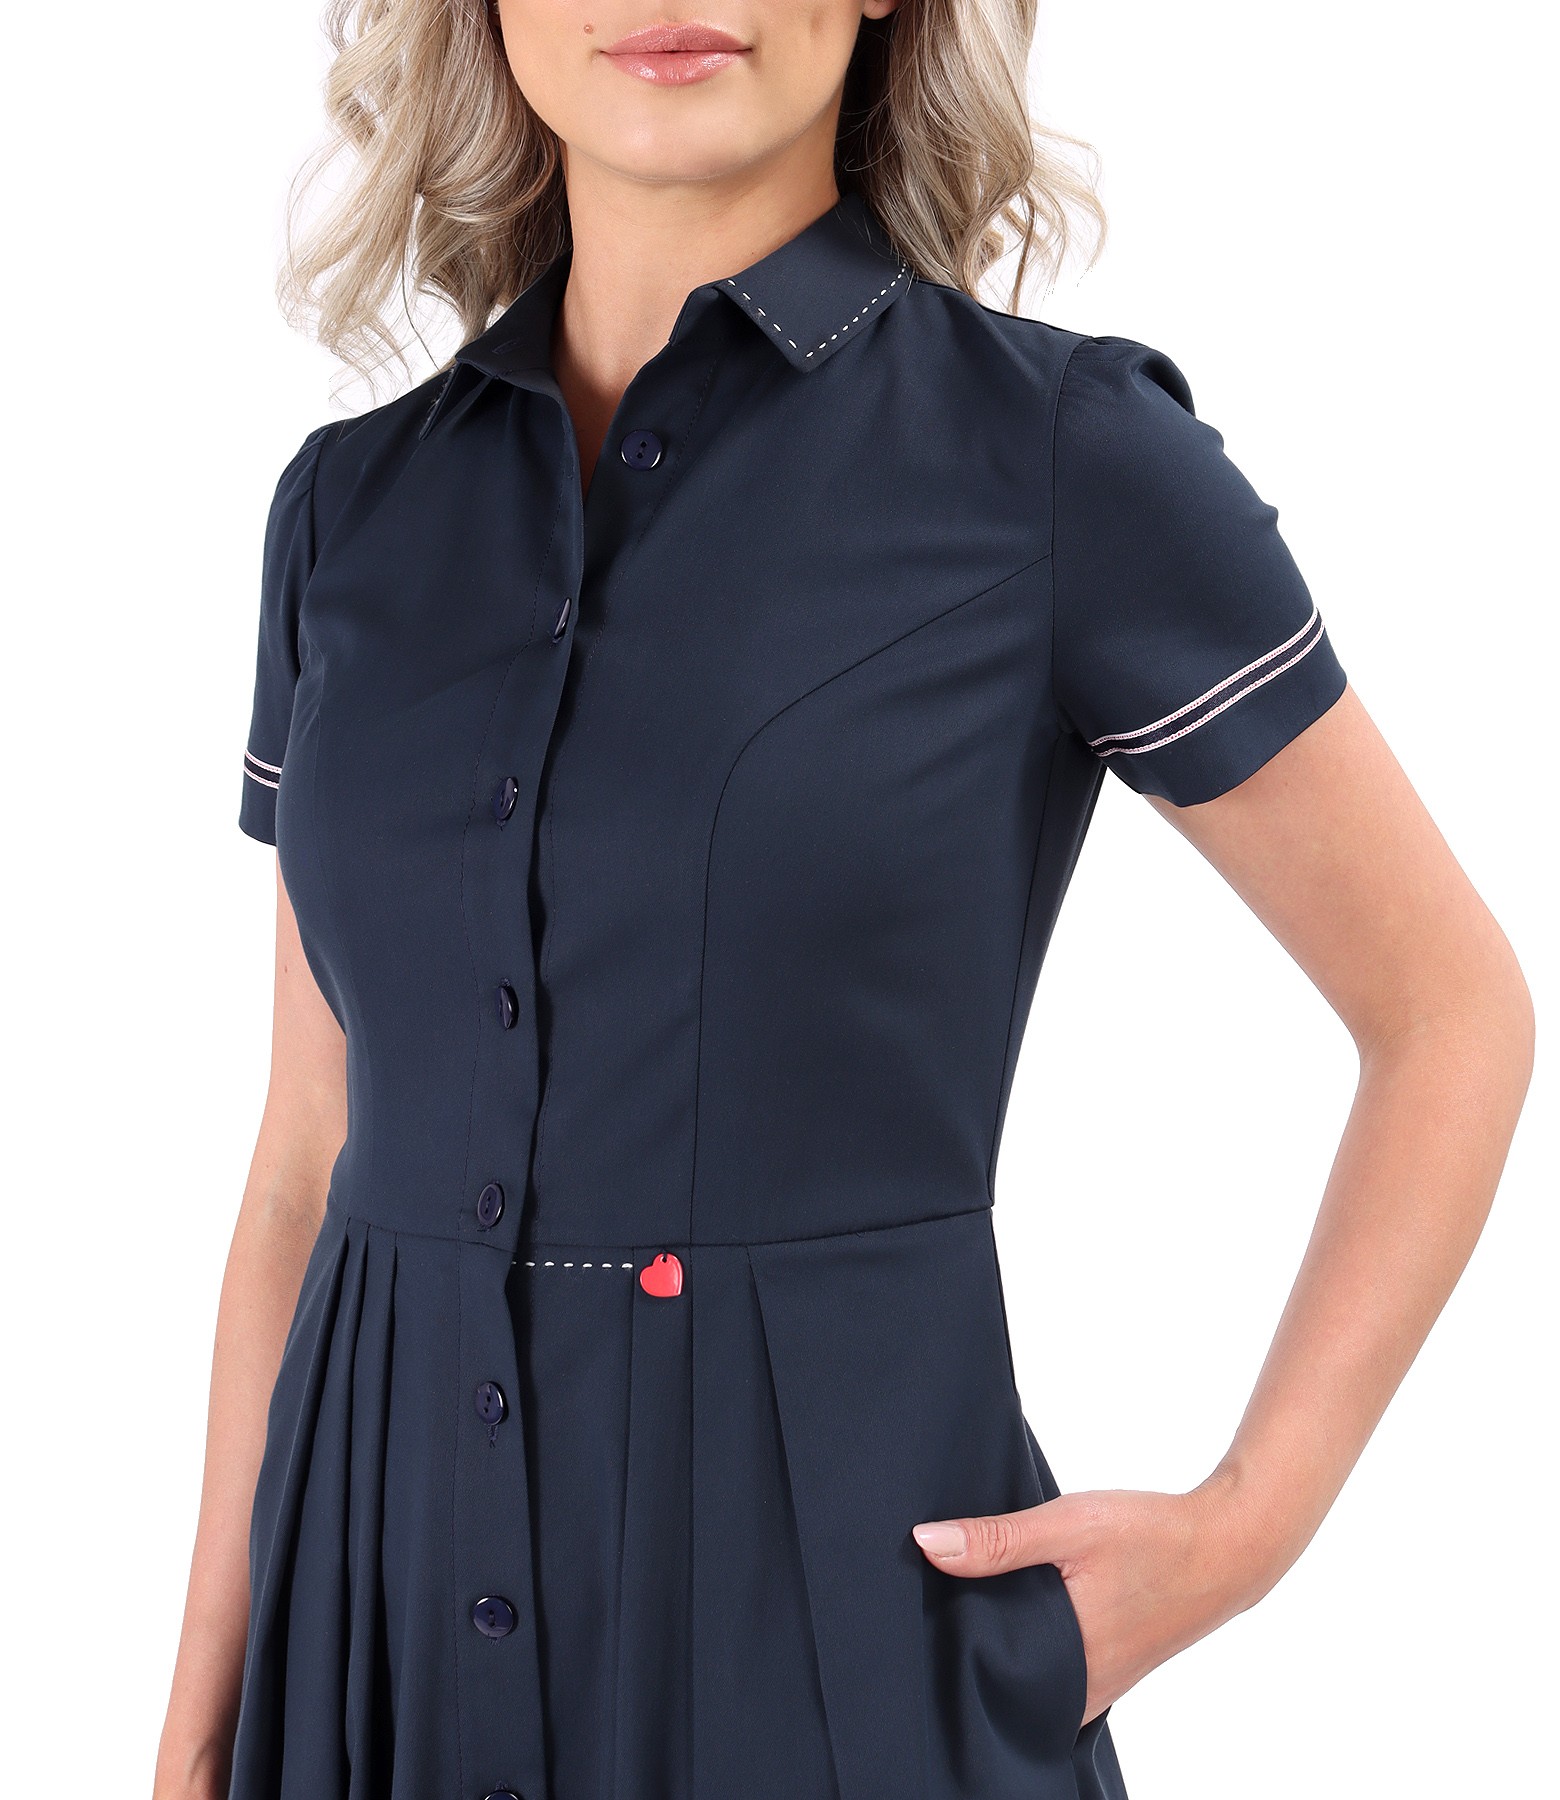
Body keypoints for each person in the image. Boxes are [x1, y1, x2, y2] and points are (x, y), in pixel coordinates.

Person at [153, 4, 1535, 1799]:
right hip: (372, 1651)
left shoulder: (1060, 457)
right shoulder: (348, 511)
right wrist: (204, 1723)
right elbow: (305, 1154)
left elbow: (1450, 1012)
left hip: (825, 1648)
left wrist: (1242, 1527)